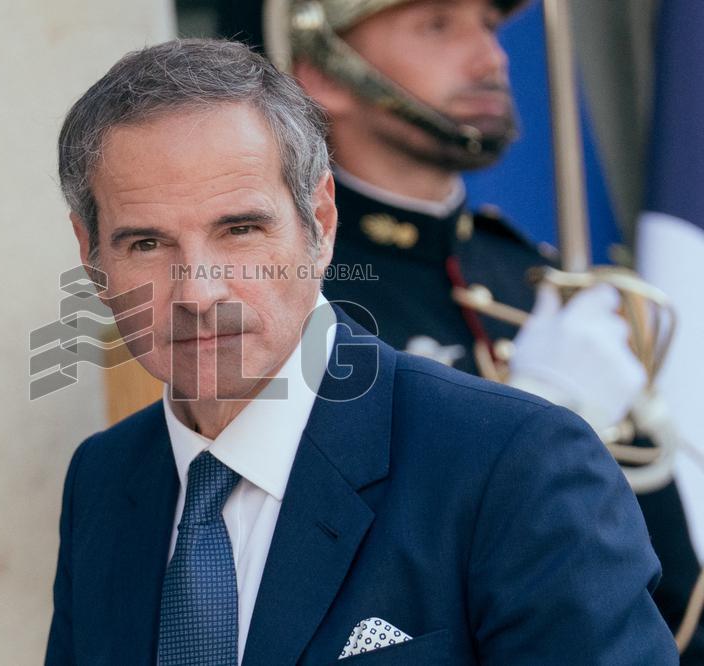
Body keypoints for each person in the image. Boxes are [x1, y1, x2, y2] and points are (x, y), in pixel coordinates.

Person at [46, 38, 677, 664]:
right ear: (91, 255)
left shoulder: (513, 461)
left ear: (319, 223)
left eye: (240, 230)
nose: (199, 293)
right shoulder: (103, 480)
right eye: (146, 245)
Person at [265, 0, 703, 658]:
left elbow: (672, 593)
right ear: (324, 71)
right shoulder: (287, 300)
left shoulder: (537, 278)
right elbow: (312, 583)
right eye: (438, 25)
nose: (491, 57)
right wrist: (546, 406)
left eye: (491, 27)